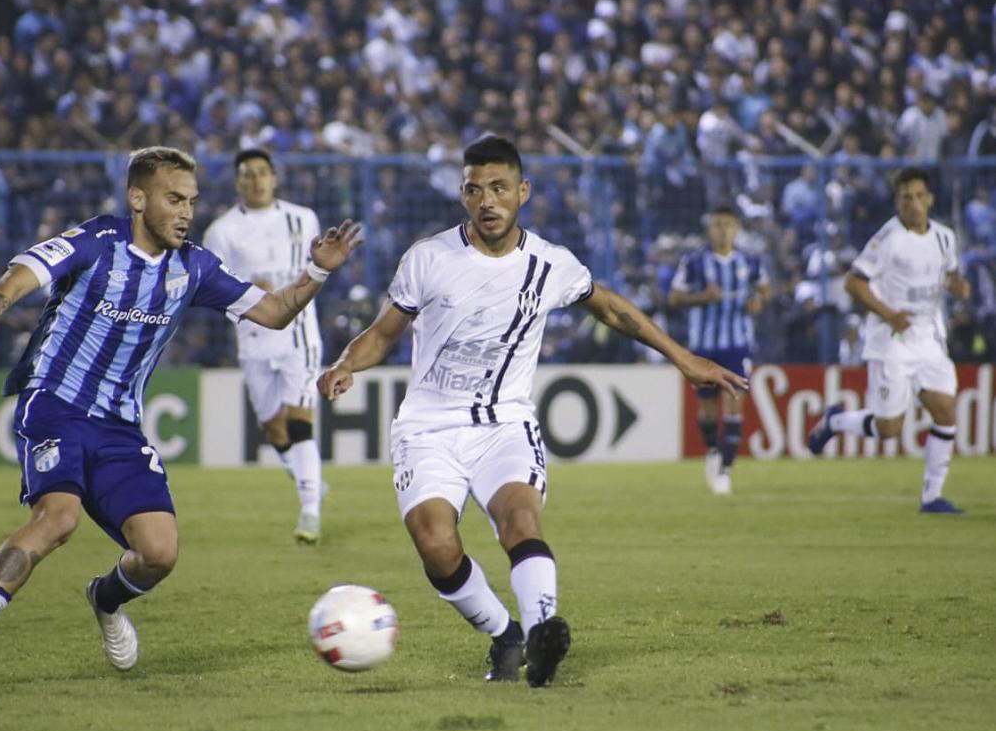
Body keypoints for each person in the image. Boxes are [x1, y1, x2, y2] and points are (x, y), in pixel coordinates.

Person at [317, 136, 745, 687]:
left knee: (519, 520)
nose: (487, 201)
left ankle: (544, 634)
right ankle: (505, 634)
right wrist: (348, 363)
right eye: (475, 189)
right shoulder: (428, 258)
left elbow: (611, 307)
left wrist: (684, 359)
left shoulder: (550, 264)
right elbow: (384, 333)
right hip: (429, 426)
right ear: (462, 193)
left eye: (499, 188)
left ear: (523, 192)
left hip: (505, 425)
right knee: (435, 542)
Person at [0, 146, 361, 680]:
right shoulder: (94, 242)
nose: (186, 212)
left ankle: (105, 599)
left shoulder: (193, 265)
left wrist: (317, 269)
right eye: (174, 199)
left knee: (159, 553)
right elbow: (10, 284)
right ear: (137, 197)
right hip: (54, 404)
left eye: (191, 202)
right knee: (57, 519)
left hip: (119, 425)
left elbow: (273, 312)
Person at [808, 167, 971, 514]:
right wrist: (888, 313)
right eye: (905, 197)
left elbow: (951, 275)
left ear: (930, 199)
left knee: (945, 410)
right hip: (892, 341)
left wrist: (959, 287)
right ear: (897, 201)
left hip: (929, 338)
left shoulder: (944, 237)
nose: (912, 203)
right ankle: (835, 422)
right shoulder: (888, 239)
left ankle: (931, 497)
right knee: (889, 428)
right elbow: (854, 282)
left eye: (918, 196)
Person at [202, 149, 326, 543]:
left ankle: (310, 512)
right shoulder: (221, 231)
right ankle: (310, 482)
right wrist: (252, 296)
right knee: (274, 430)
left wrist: (288, 294)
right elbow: (212, 288)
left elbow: (317, 271)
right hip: (253, 338)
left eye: (261, 174)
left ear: (274, 177)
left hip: (298, 333)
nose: (255, 181)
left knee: (298, 420)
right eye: (247, 175)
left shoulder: (302, 218)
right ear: (238, 182)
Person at [668, 206, 769, 495]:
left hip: (738, 345)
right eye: (718, 224)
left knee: (736, 400)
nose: (723, 230)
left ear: (737, 229)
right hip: (704, 346)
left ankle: (725, 468)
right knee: (708, 409)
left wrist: (757, 303)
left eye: (728, 225)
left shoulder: (749, 260)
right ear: (710, 228)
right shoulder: (695, 261)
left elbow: (764, 289)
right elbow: (674, 298)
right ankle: (713, 450)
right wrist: (702, 297)